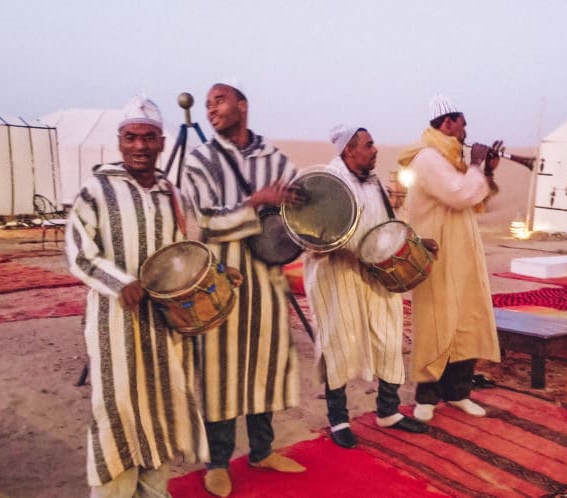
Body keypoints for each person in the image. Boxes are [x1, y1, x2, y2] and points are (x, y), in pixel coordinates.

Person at [66, 95, 208, 497]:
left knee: (161, 408)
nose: (140, 146)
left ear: (162, 142)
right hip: (115, 325)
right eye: (132, 137)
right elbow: (77, 251)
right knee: (117, 410)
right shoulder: (97, 190)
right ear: (120, 140)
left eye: (149, 138)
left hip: (165, 327)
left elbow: (187, 250)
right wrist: (119, 282)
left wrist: (207, 278)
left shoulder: (174, 196)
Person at [180, 82, 304, 497]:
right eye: (208, 103)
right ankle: (217, 462)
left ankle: (262, 451)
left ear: (242, 105)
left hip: (267, 282)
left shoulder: (277, 159)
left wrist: (297, 206)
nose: (211, 108)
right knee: (221, 370)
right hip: (222, 280)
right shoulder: (200, 161)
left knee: (264, 366)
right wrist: (256, 202)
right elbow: (209, 221)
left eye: (219, 100)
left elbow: (299, 210)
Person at [303, 125, 430, 449]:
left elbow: (383, 227)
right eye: (369, 145)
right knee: (339, 346)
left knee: (389, 340)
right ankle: (339, 419)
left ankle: (388, 411)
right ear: (349, 151)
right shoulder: (328, 183)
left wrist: (412, 242)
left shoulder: (373, 182)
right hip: (339, 276)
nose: (375, 150)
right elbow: (310, 231)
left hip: (377, 274)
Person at [397, 93, 503, 423]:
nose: (466, 128)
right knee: (435, 322)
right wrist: (475, 166)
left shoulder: (450, 158)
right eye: (462, 122)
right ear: (448, 123)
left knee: (465, 320)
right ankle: (426, 396)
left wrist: (487, 170)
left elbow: (475, 199)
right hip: (438, 253)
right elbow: (459, 195)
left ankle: (458, 393)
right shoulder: (428, 159)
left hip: (462, 253)